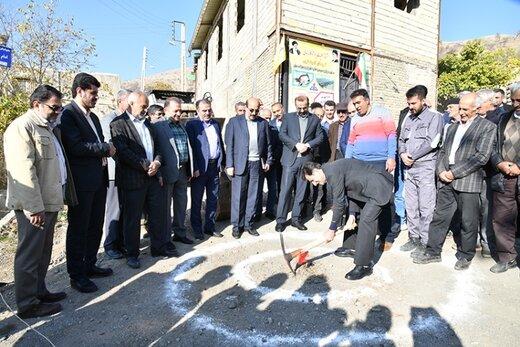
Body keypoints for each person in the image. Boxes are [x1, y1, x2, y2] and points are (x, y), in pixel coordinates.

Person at [4, 85, 73, 318]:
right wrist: (33, 207)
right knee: (29, 255)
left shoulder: (48, 128)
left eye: (60, 108)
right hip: (34, 206)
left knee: (43, 252)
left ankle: (39, 291)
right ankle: (27, 304)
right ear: (36, 104)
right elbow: (23, 171)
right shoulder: (22, 127)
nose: (57, 112)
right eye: (54, 107)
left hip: (50, 202)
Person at [414, 93, 497, 270]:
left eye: (465, 109)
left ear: (476, 108)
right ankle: (432, 251)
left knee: (468, 221)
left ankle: (466, 255)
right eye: (460, 108)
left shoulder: (487, 127)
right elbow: (442, 152)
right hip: (446, 179)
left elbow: (481, 157)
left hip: (468, 180)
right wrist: (441, 171)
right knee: (439, 218)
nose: (461, 112)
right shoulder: (451, 128)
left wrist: (453, 173)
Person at [60, 73, 115, 293]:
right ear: (79, 91)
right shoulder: (68, 115)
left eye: (97, 93)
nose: (96, 97)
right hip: (81, 184)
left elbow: (96, 142)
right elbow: (76, 147)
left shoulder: (92, 117)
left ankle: (89, 265)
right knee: (79, 229)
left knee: (94, 227)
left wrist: (103, 147)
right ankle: (77, 275)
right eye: (93, 93)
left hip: (98, 180)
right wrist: (105, 148)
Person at [111, 91, 177, 269]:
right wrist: (146, 165)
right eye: (143, 106)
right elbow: (123, 152)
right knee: (132, 219)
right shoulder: (118, 124)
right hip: (133, 180)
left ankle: (158, 247)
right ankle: (132, 254)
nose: (145, 109)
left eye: (147, 106)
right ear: (131, 104)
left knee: (157, 215)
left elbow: (158, 149)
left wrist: (156, 162)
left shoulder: (149, 124)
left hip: (153, 178)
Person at [302, 160, 394, 280]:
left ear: (316, 170)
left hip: (378, 188)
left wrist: (332, 229)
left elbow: (339, 203)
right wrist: (352, 214)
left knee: (366, 220)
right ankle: (351, 248)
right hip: (364, 189)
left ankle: (364, 265)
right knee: (355, 217)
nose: (314, 184)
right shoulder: (329, 169)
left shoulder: (332, 172)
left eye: (313, 179)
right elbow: (350, 191)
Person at [345, 88, 397, 249]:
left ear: (367, 100)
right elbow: (351, 143)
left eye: (359, 102)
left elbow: (391, 135)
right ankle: (360, 236)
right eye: (354, 104)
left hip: (380, 162)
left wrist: (391, 157)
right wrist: (347, 163)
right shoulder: (354, 119)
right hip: (359, 163)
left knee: (384, 199)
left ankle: (386, 236)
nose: (357, 106)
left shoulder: (383, 113)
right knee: (359, 198)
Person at [398, 86, 444, 257]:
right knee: (410, 206)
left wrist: (412, 155)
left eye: (413, 103)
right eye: (408, 103)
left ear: (423, 100)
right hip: (409, 169)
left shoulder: (435, 118)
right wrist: (403, 154)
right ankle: (414, 237)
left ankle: (425, 242)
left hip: (425, 167)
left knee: (426, 207)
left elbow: (433, 142)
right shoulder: (408, 119)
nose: (410, 106)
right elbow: (401, 139)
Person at [225, 97, 272, 238]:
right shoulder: (234, 122)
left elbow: (268, 145)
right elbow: (230, 145)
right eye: (251, 110)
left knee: (253, 196)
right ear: (245, 108)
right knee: (238, 196)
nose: (253, 112)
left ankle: (249, 224)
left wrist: (268, 160)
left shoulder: (263, 123)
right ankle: (236, 226)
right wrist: (229, 165)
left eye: (257, 110)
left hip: (256, 164)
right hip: (240, 163)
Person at [275, 95, 324, 232]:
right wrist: (296, 145)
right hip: (290, 159)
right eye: (299, 108)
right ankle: (281, 220)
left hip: (306, 160)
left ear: (308, 105)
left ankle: (296, 219)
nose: (302, 110)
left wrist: (308, 145)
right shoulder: (288, 118)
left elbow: (320, 137)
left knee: (302, 192)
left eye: (304, 108)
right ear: (295, 105)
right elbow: (282, 134)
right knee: (285, 191)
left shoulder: (314, 119)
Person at [153, 97, 194, 245]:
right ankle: (165, 238)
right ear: (165, 110)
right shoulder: (158, 127)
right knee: (165, 207)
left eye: (180, 110)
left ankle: (179, 233)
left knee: (181, 204)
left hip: (182, 171)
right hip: (166, 172)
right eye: (175, 110)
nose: (179, 113)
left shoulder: (181, 125)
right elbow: (154, 151)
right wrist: (158, 173)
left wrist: (190, 169)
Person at [489, 82, 520, 273]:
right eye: (514, 100)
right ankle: (506, 258)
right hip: (504, 178)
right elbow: (493, 147)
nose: (517, 104)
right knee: (501, 219)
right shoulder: (503, 118)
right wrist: (500, 163)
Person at [186, 99, 226, 239]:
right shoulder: (192, 125)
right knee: (196, 199)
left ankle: (210, 227)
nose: (207, 112)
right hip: (200, 169)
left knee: (213, 198)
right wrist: (194, 168)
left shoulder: (215, 124)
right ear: (197, 111)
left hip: (214, 167)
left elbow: (220, 143)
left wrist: (223, 163)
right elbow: (191, 148)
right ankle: (197, 229)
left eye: (209, 110)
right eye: (204, 110)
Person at [100, 89, 130, 259]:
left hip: (126, 173)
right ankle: (110, 245)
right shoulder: (109, 120)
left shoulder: (128, 120)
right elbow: (110, 146)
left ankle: (121, 243)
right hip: (113, 172)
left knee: (124, 209)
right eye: (129, 102)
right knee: (114, 210)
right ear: (120, 101)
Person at [256, 102, 284, 220]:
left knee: (272, 188)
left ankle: (270, 210)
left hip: (272, 164)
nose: (267, 120)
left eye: (269, 118)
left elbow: (278, 146)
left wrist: (270, 160)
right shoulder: (255, 128)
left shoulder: (273, 129)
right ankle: (257, 212)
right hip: (258, 164)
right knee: (258, 189)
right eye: (265, 118)